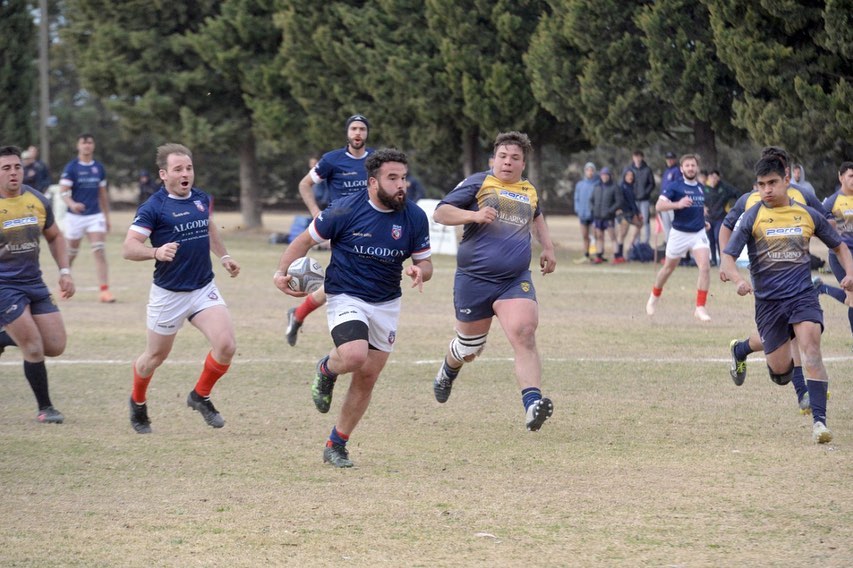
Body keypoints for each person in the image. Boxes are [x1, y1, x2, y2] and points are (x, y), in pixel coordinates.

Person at [274, 148, 432, 468]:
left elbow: (425, 263)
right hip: (346, 294)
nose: (401, 185)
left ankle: (336, 444)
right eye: (392, 178)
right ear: (373, 182)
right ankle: (326, 369)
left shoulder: (414, 216)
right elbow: (304, 241)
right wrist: (281, 272)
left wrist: (420, 271)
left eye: (403, 178)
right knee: (355, 356)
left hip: (387, 302)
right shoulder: (344, 209)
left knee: (367, 376)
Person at [721, 154, 853, 444]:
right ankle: (741, 348)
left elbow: (839, 246)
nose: (766, 190)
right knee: (780, 372)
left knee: (811, 350)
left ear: (786, 181)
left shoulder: (806, 213)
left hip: (802, 296)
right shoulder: (753, 216)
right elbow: (728, 256)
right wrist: (738, 279)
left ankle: (820, 423)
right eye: (761, 185)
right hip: (769, 303)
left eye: (772, 183)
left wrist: (850, 272)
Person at [431, 131, 556, 432]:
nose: (507, 162)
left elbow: (537, 216)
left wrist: (548, 247)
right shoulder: (479, 183)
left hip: (513, 279)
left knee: (524, 332)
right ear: (493, 159)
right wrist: (472, 216)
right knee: (469, 349)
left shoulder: (528, 190)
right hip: (474, 279)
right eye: (503, 156)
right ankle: (448, 369)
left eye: (515, 158)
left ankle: (532, 405)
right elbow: (440, 213)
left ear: (523, 163)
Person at [122, 143, 241, 434]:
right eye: (178, 169)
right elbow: (129, 247)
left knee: (226, 346)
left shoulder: (200, 198)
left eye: (189, 168)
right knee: (154, 358)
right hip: (169, 294)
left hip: (202, 288)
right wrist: (155, 252)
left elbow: (208, 227)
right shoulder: (154, 207)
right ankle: (138, 401)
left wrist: (224, 256)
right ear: (163, 174)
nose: (185, 173)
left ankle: (200, 395)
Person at [0, 145, 75, 423]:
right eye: (6, 168)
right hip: (4, 286)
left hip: (34, 283)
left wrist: (65, 271)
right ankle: (46, 408)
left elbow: (55, 236)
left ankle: (4, 337)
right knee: (32, 346)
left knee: (55, 345)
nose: (13, 172)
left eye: (17, 167)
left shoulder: (37, 200)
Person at [285, 114, 373, 347]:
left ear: (367, 133)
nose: (358, 133)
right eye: (354, 128)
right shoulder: (332, 160)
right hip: (343, 230)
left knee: (344, 281)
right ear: (347, 133)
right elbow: (304, 184)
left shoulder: (375, 161)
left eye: (362, 129)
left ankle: (298, 314)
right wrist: (316, 213)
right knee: (350, 280)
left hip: (372, 227)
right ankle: (352, 330)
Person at [645, 154, 712, 321]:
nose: (690, 168)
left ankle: (700, 307)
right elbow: (659, 206)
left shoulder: (700, 187)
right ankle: (654, 297)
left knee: (705, 267)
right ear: (682, 169)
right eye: (687, 165)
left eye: (693, 165)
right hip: (679, 234)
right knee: (668, 269)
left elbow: (697, 208)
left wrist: (702, 222)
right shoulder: (675, 186)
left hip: (698, 233)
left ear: (697, 168)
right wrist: (677, 204)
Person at [59, 133, 115, 303]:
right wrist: (72, 204)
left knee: (99, 250)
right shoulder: (72, 167)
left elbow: (102, 194)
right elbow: (63, 191)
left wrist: (106, 217)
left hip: (94, 216)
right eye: (83, 143)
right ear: (78, 146)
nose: (86, 145)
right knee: (71, 253)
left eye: (89, 142)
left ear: (93, 145)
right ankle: (64, 284)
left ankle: (104, 291)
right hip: (75, 217)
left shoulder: (98, 167)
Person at [813, 161, 853, 349]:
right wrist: (832, 238)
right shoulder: (832, 201)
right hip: (841, 256)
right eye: (851, 176)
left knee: (850, 298)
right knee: (852, 298)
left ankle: (822, 288)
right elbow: (818, 224)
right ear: (841, 177)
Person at [703, 170, 740, 266]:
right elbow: (698, 200)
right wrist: (702, 207)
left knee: (718, 238)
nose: (713, 179)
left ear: (718, 178)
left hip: (720, 218)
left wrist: (735, 208)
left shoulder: (724, 187)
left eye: (715, 177)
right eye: (711, 177)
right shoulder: (704, 188)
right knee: (711, 240)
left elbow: (737, 193)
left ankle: (722, 260)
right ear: (708, 178)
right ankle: (713, 260)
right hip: (709, 218)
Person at [589, 167, 621, 264]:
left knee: (612, 237)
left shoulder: (614, 187)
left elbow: (619, 202)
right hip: (598, 217)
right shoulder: (597, 187)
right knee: (599, 236)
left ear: (609, 176)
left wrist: (610, 211)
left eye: (606, 175)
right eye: (603, 175)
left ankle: (617, 256)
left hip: (609, 217)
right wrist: (593, 209)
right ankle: (599, 256)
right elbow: (591, 200)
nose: (604, 177)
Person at [614, 168, 642, 263]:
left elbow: (633, 202)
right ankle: (619, 255)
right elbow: (620, 202)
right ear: (624, 176)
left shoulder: (631, 187)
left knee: (639, 224)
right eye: (628, 175)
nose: (630, 177)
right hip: (624, 214)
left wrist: (637, 213)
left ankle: (629, 247)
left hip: (630, 213)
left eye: (631, 175)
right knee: (622, 234)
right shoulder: (621, 187)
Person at [629, 150, 655, 244]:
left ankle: (646, 242)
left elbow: (652, 184)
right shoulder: (629, 169)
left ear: (642, 158)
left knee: (645, 221)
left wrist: (645, 193)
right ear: (633, 158)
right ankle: (637, 242)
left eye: (639, 156)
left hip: (644, 200)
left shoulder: (647, 169)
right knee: (636, 221)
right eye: (635, 156)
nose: (637, 159)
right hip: (634, 200)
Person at [573, 162, 597, 263]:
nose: (590, 172)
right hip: (583, 215)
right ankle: (586, 255)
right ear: (585, 171)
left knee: (594, 236)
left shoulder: (596, 184)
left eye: (592, 170)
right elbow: (576, 198)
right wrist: (578, 210)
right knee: (585, 236)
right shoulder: (580, 185)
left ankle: (595, 255)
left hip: (593, 215)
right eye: (588, 170)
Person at [658, 151, 681, 242]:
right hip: (664, 200)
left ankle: (676, 243)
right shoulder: (666, 171)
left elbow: (677, 186)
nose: (669, 161)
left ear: (674, 160)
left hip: (671, 201)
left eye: (671, 159)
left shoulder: (677, 170)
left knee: (674, 225)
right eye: (668, 159)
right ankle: (668, 244)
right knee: (666, 225)